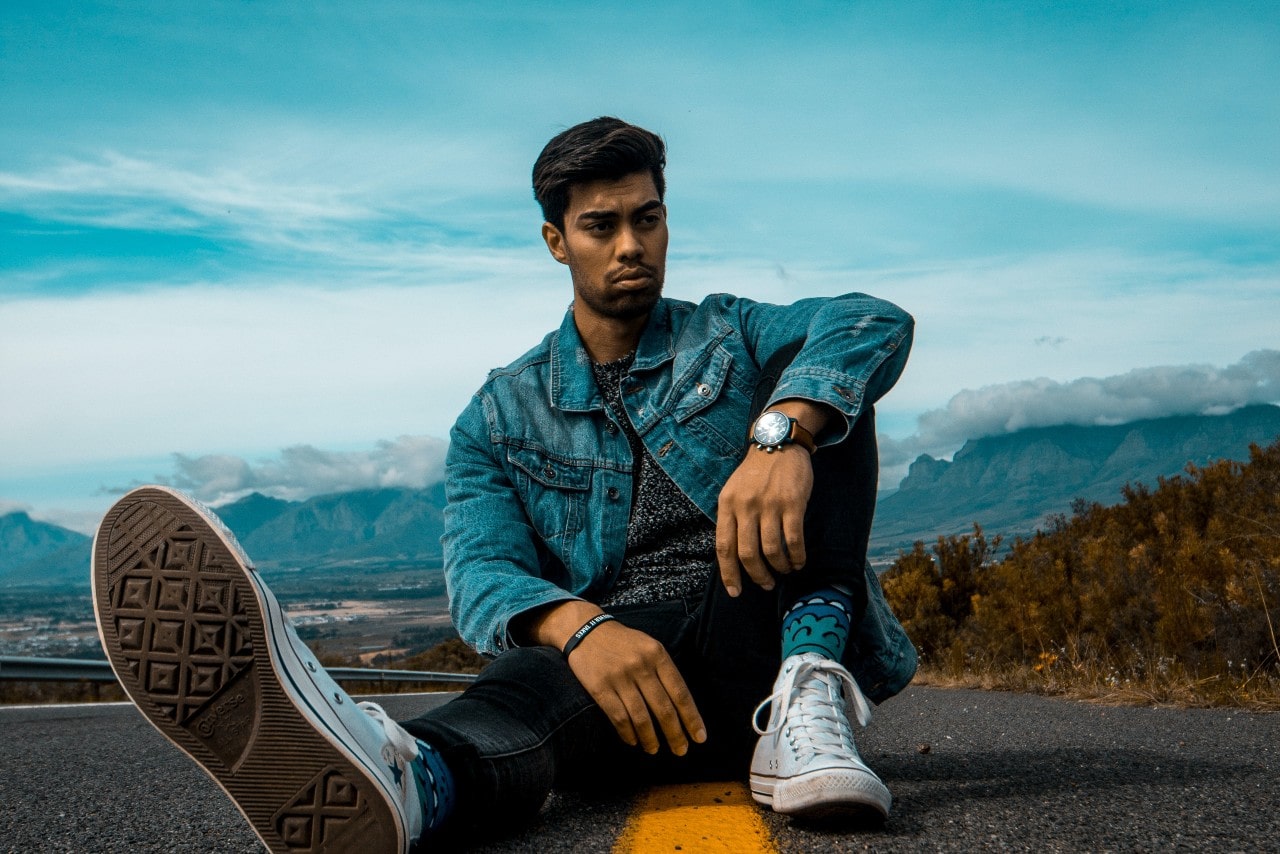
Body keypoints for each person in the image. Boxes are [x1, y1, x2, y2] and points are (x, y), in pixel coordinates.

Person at [92, 117, 916, 854]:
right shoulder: (495, 416)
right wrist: (581, 628)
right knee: (517, 695)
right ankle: (409, 784)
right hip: (628, 689)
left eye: (648, 219)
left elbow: (869, 318)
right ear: (557, 242)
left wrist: (783, 434)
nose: (631, 245)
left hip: (759, 632)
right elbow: (480, 574)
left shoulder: (729, 331)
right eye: (602, 226)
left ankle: (812, 699)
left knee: (824, 375)